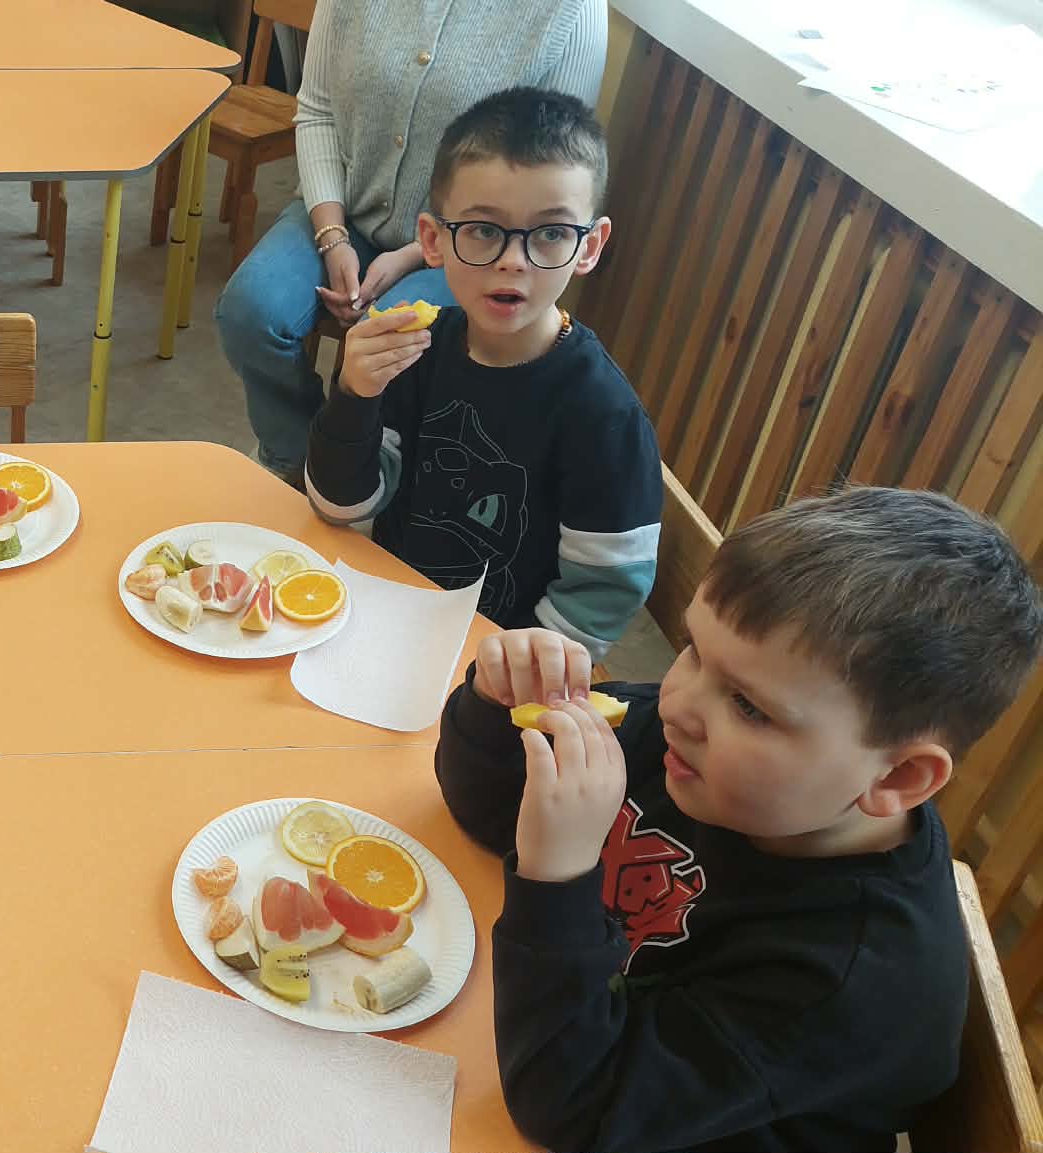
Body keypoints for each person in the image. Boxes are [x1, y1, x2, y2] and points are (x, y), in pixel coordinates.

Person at [436, 485, 1043, 1151]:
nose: (676, 704)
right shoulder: (688, 752)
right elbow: (487, 810)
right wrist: (494, 706)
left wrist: (558, 877)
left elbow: (572, 1107)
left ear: (896, 778)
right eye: (693, 648)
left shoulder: (849, 978)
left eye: (749, 706)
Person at [306, 87, 658, 660]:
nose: (513, 261)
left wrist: (493, 678)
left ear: (590, 247)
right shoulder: (413, 353)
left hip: (499, 665)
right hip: (382, 621)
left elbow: (600, 596)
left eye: (551, 233)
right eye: (484, 230)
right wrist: (354, 395)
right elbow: (338, 508)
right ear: (433, 240)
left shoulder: (604, 414)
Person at [216, 0, 607, 486]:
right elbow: (317, 110)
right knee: (249, 312)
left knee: (393, 344)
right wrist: (332, 235)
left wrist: (419, 252)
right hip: (342, 203)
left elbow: (549, 172)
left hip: (472, 241)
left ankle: (365, 476)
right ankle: (296, 457)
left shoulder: (571, 11)